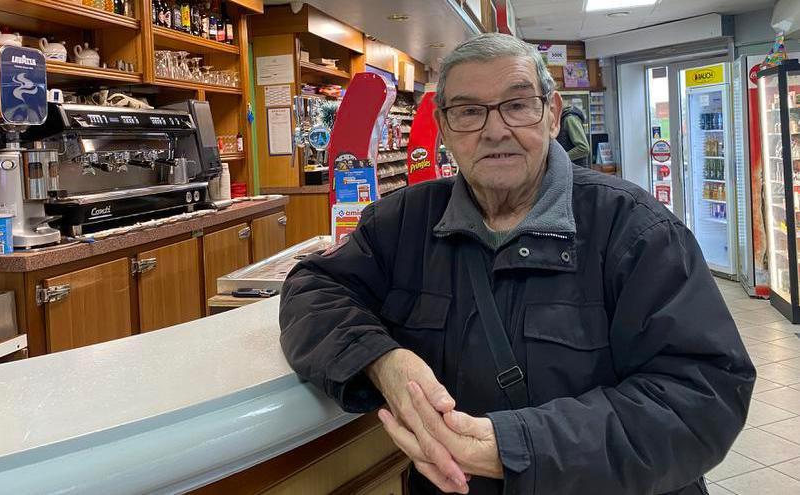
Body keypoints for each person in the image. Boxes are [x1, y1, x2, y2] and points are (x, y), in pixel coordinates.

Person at [279, 33, 754, 495]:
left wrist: (518, 450)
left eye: (518, 104)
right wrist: (382, 360)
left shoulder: (634, 229)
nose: (495, 130)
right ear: (443, 128)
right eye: (468, 111)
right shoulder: (403, 222)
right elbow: (312, 289)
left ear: (552, 115)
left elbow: (703, 398)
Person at [556, 103, 590, 167]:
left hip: (576, 168)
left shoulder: (570, 119)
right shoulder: (562, 118)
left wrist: (561, 158)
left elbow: (583, 148)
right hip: (569, 167)